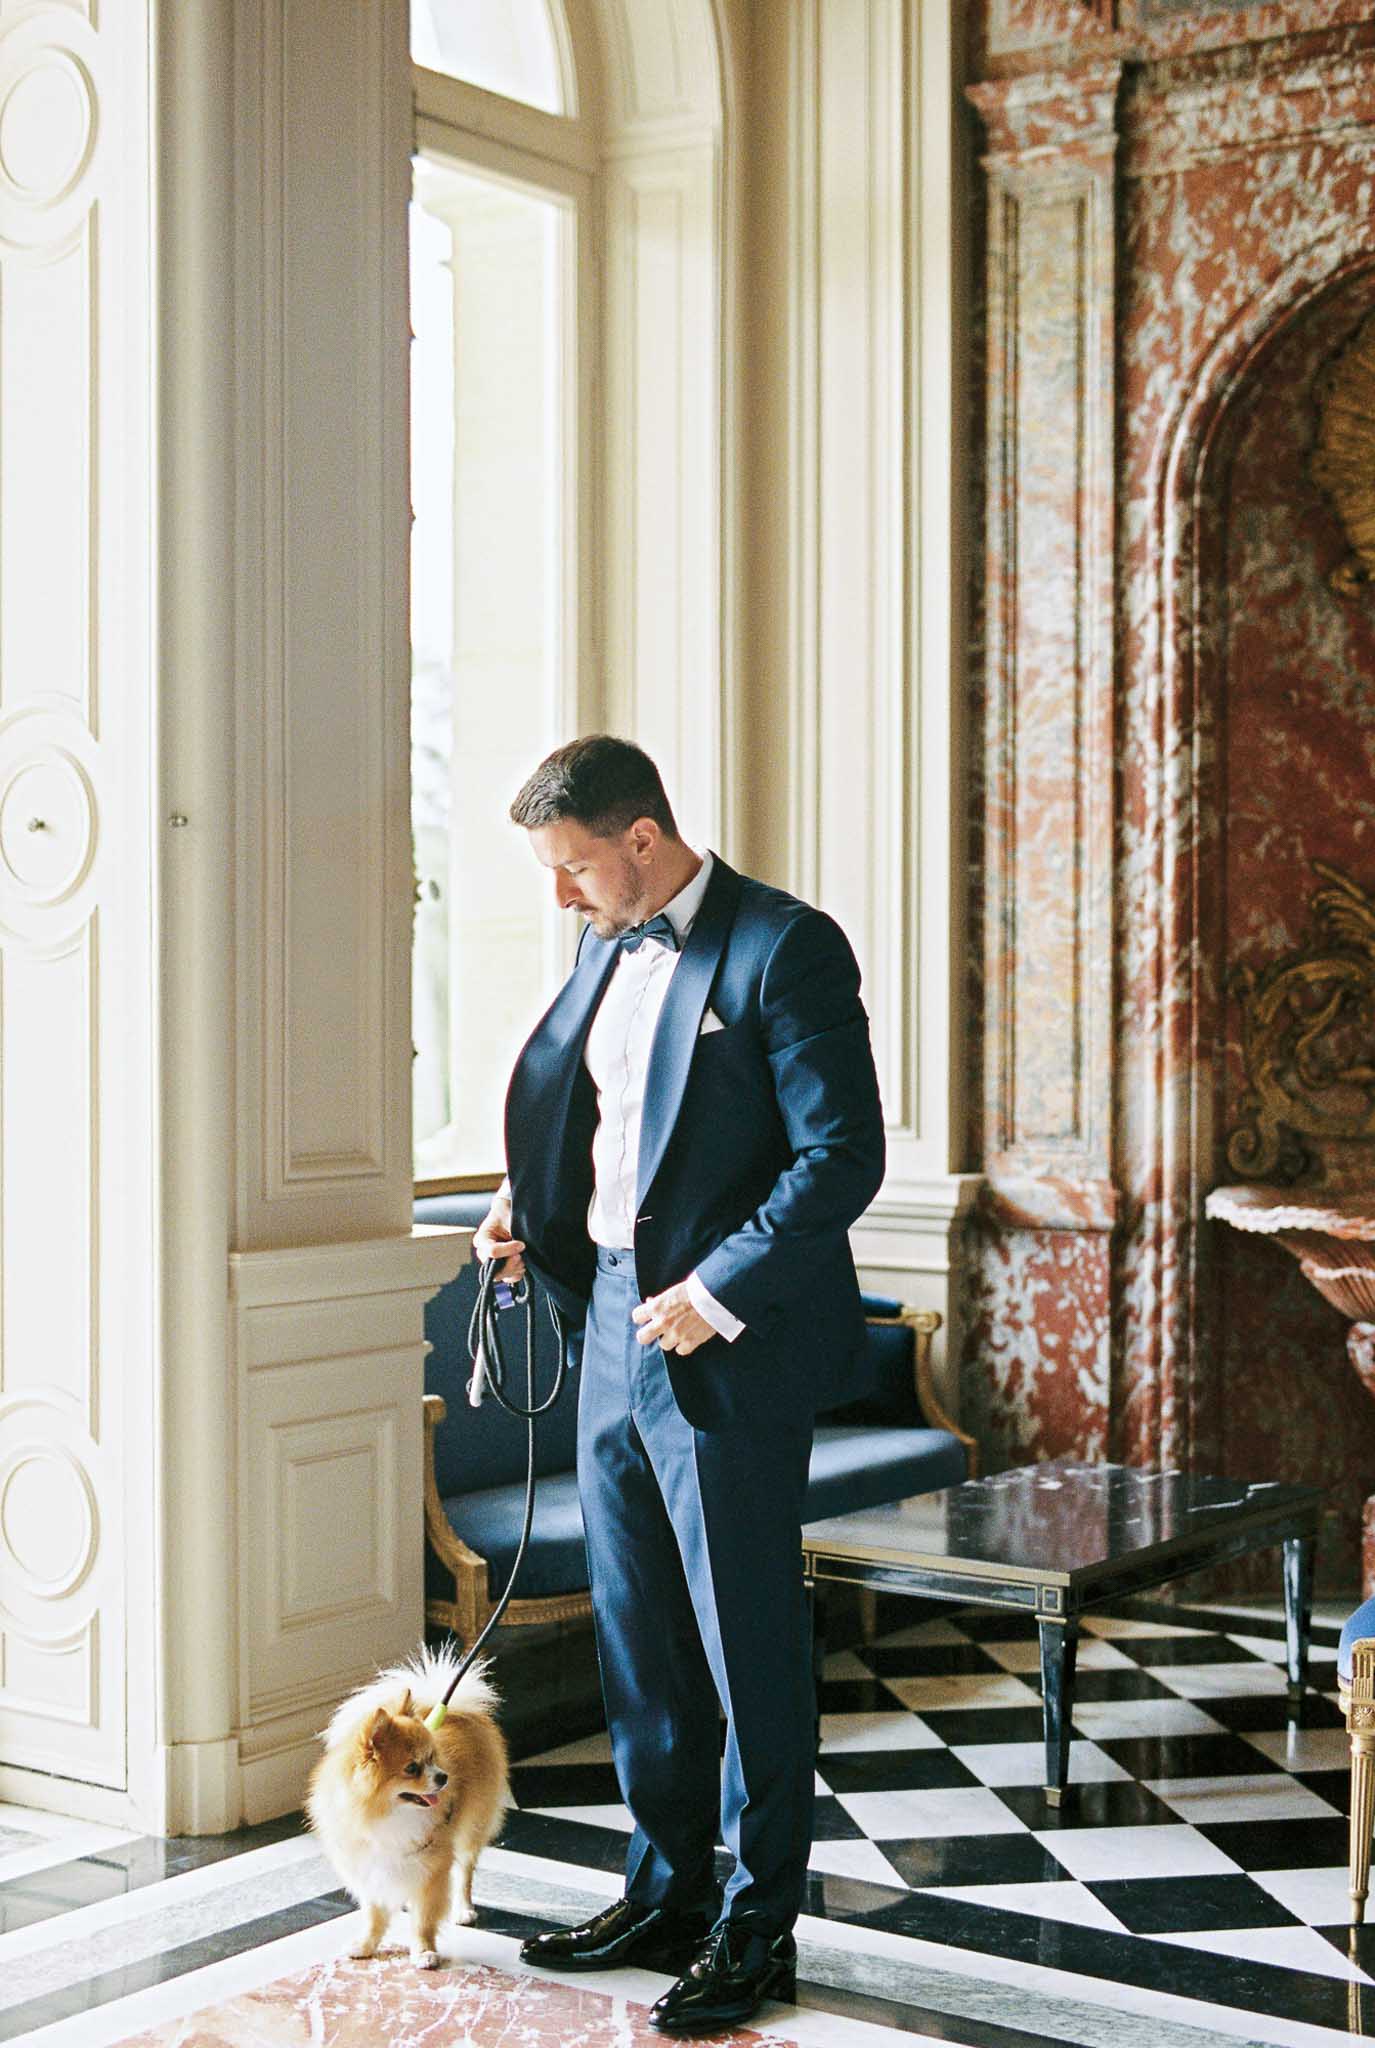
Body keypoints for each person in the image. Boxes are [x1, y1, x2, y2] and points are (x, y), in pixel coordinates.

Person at [473, 734, 884, 2034]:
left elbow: (839, 1158)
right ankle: (664, 1889)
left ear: (642, 839)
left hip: (723, 1345)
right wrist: (520, 1207)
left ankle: (758, 1928)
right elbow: (604, 1124)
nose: (561, 895)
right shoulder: (603, 944)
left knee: (746, 1642)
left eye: (574, 865)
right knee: (641, 1634)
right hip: (605, 1329)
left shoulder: (785, 947)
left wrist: (714, 1297)